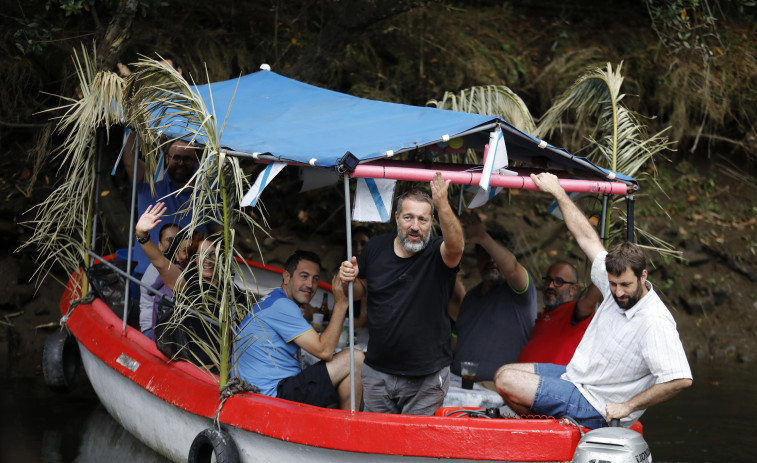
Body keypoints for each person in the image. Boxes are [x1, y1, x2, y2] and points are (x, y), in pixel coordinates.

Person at [494, 173, 692, 429]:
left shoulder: (655, 321)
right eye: (613, 285)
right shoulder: (614, 279)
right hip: (576, 378)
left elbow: (680, 379)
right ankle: (555, 428)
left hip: (597, 404)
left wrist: (628, 407)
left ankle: (564, 429)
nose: (618, 292)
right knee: (504, 372)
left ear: (643, 276)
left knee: (506, 382)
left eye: (626, 286)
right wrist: (557, 191)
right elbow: (587, 238)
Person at [339, 172, 465, 415]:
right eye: (408, 218)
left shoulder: (438, 252)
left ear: (432, 222)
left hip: (427, 378)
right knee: (377, 443)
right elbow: (359, 291)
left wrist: (442, 205)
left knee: (415, 446)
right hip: (378, 372)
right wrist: (347, 278)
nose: (415, 227)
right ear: (397, 218)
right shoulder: (375, 247)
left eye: (422, 219)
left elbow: (457, 246)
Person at [233, 251, 364, 410]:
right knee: (354, 358)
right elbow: (325, 350)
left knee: (338, 392)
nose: (310, 284)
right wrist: (341, 303)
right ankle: (348, 430)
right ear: (287, 277)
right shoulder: (282, 306)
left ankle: (343, 428)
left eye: (315, 279)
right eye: (304, 276)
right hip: (270, 396)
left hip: (261, 391)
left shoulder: (273, 299)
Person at [135, 202, 223, 371]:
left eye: (212, 254)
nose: (207, 260)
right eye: (201, 255)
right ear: (193, 259)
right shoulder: (187, 283)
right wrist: (142, 234)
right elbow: (160, 263)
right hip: (200, 366)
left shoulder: (230, 288)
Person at [451, 213, 537, 382]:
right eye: (484, 253)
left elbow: (511, 268)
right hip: (460, 384)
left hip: (499, 392)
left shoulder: (521, 291)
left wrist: (483, 238)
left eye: (496, 253)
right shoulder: (471, 297)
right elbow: (456, 340)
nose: (491, 259)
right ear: (477, 260)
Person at [517, 261, 602, 365]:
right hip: (524, 377)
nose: (551, 286)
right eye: (548, 280)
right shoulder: (545, 315)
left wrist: (609, 266)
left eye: (559, 281)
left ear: (573, 289)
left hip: (549, 379)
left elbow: (590, 300)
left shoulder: (575, 312)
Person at [139, 222, 179, 339]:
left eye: (178, 239)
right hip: (152, 328)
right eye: (169, 240)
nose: (174, 243)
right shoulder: (161, 268)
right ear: (160, 246)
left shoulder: (179, 265)